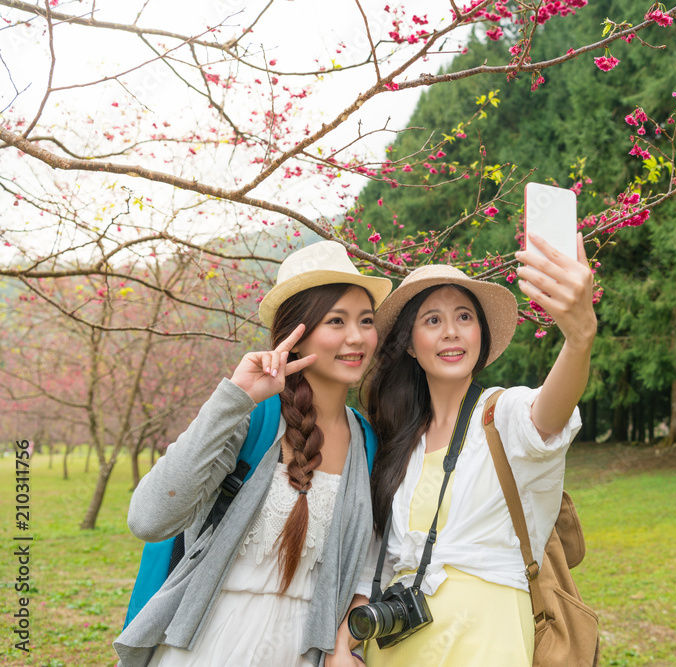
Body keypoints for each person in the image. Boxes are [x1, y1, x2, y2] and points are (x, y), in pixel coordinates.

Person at [114, 242, 391, 667]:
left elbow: (366, 565)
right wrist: (233, 398)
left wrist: (341, 644)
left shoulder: (368, 443)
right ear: (296, 336)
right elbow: (149, 518)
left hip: (302, 650)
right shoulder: (250, 418)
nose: (356, 337)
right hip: (208, 642)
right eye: (336, 321)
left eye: (366, 321)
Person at [359, 233, 597, 666]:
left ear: (480, 334)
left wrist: (579, 339)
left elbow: (548, 413)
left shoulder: (501, 415)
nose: (451, 332)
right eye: (432, 320)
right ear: (410, 344)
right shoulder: (396, 444)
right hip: (394, 649)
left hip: (485, 642)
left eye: (464, 317)